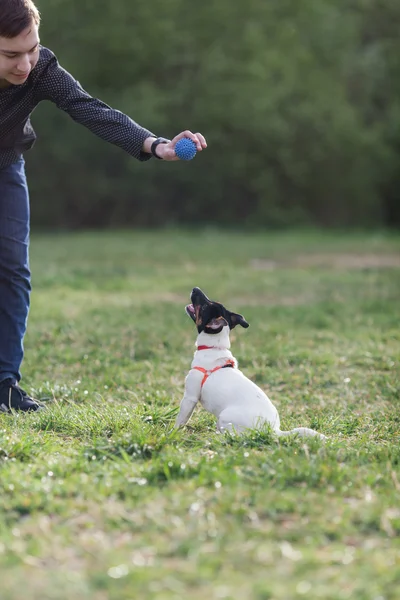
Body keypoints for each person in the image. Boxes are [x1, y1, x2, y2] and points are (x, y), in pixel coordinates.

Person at [0, 0, 207, 412]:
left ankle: (4, 384)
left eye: (32, 48)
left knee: (13, 270)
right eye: (10, 55)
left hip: (5, 164)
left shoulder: (41, 70)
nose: (25, 64)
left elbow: (89, 108)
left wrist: (155, 144)